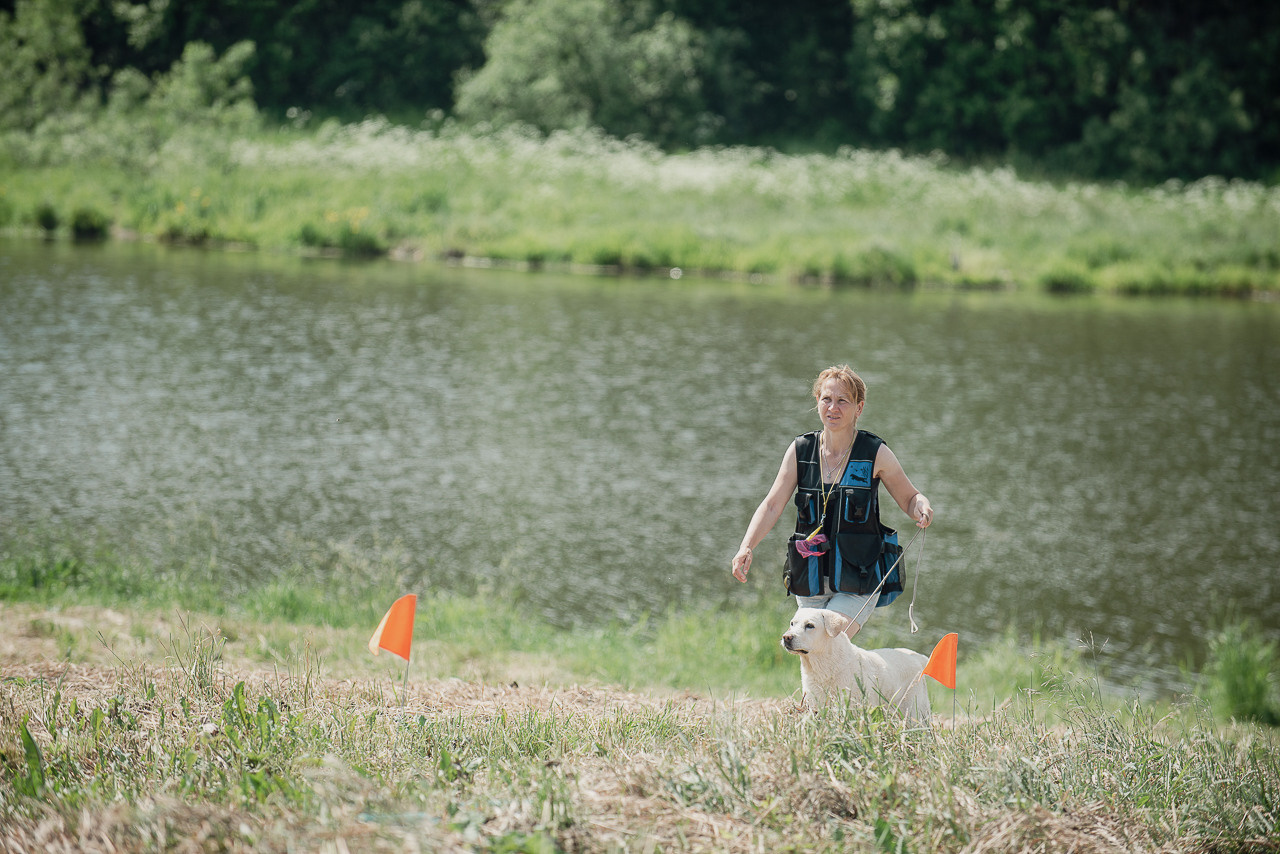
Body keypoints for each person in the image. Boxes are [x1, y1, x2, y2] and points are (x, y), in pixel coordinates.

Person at [731, 364, 932, 637]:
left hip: (859, 580)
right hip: (809, 579)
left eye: (842, 401)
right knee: (813, 655)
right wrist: (746, 546)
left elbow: (910, 498)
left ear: (858, 408)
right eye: (826, 399)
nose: (833, 408)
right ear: (817, 402)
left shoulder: (876, 453)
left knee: (828, 642)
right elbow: (771, 505)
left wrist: (920, 507)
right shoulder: (800, 450)